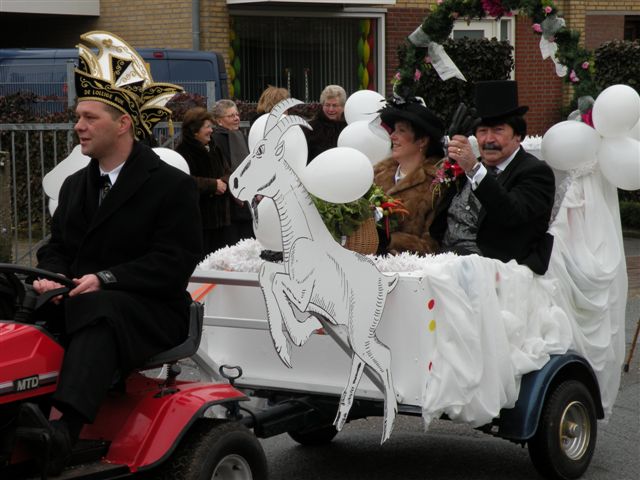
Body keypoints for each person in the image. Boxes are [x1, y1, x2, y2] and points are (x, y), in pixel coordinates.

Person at [21, 31, 202, 475]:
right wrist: (51, 277)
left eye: (89, 117)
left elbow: (173, 262)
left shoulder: (170, 185)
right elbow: (58, 247)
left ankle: (66, 430)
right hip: (78, 295)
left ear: (122, 123)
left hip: (149, 307)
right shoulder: (75, 184)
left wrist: (105, 278)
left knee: (100, 309)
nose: (78, 126)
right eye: (77, 116)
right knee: (10, 296)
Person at [430, 80, 555, 275]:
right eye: (482, 131)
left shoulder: (536, 172)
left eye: (498, 131)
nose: (488, 139)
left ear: (518, 136)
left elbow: (512, 213)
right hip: (444, 261)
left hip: (499, 271)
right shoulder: (469, 167)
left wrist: (474, 169)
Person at [374, 99, 444, 255]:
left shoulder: (435, 185)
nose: (392, 136)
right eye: (394, 130)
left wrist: (392, 240)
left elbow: (432, 246)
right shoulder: (376, 174)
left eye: (401, 130)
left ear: (422, 141)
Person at [176, 107, 233, 256]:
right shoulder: (183, 152)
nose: (211, 131)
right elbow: (184, 181)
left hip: (222, 219)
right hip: (201, 221)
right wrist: (213, 185)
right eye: (207, 127)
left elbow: (228, 170)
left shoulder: (214, 147)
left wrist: (224, 182)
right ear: (195, 131)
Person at [212, 99, 254, 242]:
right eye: (230, 116)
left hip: (247, 199)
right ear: (219, 121)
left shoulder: (241, 136)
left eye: (237, 114)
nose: (236, 118)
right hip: (228, 202)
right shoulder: (215, 140)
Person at [304, 84, 348, 163]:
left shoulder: (348, 128)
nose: (331, 109)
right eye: (327, 105)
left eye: (335, 105)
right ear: (322, 105)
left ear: (343, 107)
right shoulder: (310, 128)